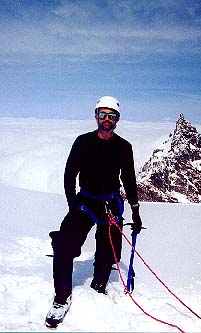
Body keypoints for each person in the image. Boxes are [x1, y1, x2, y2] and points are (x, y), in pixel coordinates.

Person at [45, 96, 142, 329]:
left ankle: (99, 285)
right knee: (64, 244)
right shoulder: (83, 142)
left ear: (117, 120)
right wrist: (72, 206)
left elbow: (128, 179)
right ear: (96, 116)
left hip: (110, 202)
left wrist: (135, 211)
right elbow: (70, 175)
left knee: (109, 251)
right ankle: (61, 298)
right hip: (85, 201)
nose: (107, 119)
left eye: (112, 116)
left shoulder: (123, 147)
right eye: (103, 114)